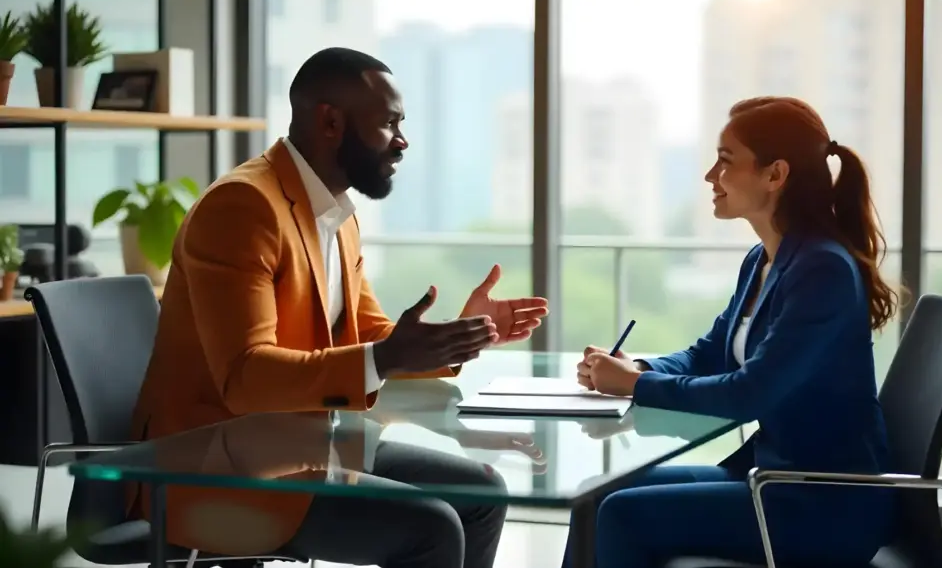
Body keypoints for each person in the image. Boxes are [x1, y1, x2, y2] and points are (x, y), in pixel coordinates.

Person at [129, 47, 549, 568]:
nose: (402, 140)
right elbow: (245, 376)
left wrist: (463, 333)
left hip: (306, 446)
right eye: (389, 123)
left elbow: (368, 333)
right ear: (330, 121)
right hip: (217, 470)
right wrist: (387, 358)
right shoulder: (242, 208)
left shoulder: (335, 213)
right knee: (432, 527)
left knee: (482, 493)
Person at [569, 96, 900, 567]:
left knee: (620, 514)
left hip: (822, 505)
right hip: (772, 478)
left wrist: (637, 386)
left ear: (775, 175)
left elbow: (749, 393)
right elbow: (710, 355)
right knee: (592, 497)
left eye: (725, 162)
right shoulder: (763, 259)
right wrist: (637, 367)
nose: (710, 177)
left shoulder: (822, 269)